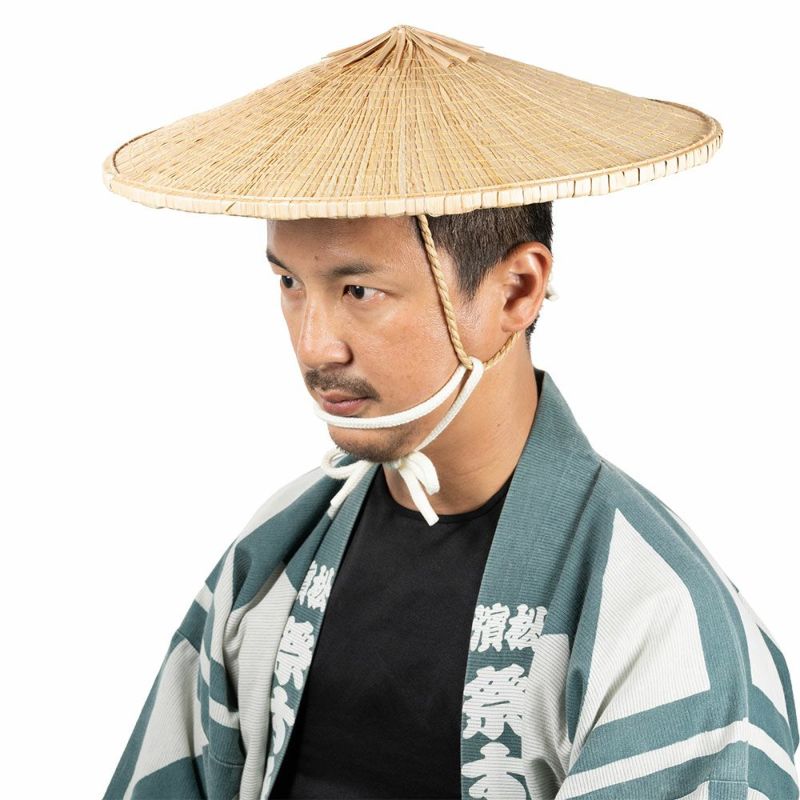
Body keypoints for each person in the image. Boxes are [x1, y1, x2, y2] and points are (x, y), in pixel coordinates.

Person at [100, 24, 799, 800]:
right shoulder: (276, 551)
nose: (315, 344)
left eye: (360, 291)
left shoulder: (656, 614)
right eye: (290, 283)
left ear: (516, 291)